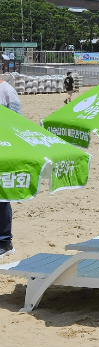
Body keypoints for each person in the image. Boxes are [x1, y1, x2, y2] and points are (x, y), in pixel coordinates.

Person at [0, 78, 21, 258]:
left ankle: (5, 241)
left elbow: (16, 123)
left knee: (2, 196)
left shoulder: (7, 92)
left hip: (4, 150)